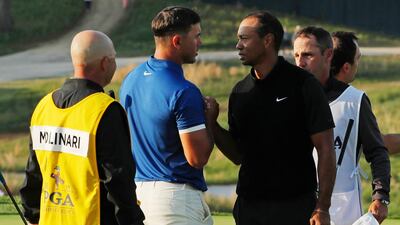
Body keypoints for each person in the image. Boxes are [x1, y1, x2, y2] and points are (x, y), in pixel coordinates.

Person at [206, 11, 336, 225]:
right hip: (249, 208)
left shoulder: (303, 84)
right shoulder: (240, 92)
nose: (238, 45)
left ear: (268, 40)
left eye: (244, 38)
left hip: (295, 207)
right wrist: (213, 125)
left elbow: (325, 148)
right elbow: (238, 155)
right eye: (239, 38)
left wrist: (322, 207)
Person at [20, 30, 145, 225]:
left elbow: (34, 174)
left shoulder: (44, 106)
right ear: (105, 63)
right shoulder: (105, 109)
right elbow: (118, 181)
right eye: (113, 58)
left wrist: (32, 214)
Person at [119, 6, 215, 225]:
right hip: (174, 201)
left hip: (140, 194)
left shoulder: (130, 79)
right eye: (196, 36)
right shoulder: (184, 91)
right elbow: (197, 158)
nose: (200, 42)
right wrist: (210, 119)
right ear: (177, 41)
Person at [293, 27, 391, 225]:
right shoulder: (290, 96)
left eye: (307, 55)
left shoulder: (356, 100)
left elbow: (378, 151)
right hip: (296, 202)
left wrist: (380, 195)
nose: (300, 62)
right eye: (296, 55)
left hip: (343, 206)